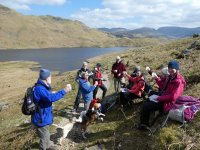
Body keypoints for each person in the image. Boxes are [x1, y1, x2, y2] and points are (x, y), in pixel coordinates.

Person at [138, 60, 186, 129]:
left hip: (168, 103)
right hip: (164, 97)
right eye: (169, 68)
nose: (170, 70)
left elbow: (173, 97)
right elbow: (163, 86)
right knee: (149, 98)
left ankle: (144, 125)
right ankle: (148, 116)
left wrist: (158, 98)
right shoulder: (170, 77)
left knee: (146, 106)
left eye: (172, 69)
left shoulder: (179, 81)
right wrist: (157, 79)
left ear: (177, 69)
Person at [32, 69, 72, 150]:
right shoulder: (40, 89)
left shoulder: (42, 86)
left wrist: (52, 93)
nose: (51, 78)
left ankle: (49, 146)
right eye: (50, 76)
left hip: (44, 117)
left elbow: (47, 96)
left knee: (46, 135)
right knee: (44, 138)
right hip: (41, 118)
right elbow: (51, 98)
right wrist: (65, 90)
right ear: (46, 78)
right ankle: (44, 148)